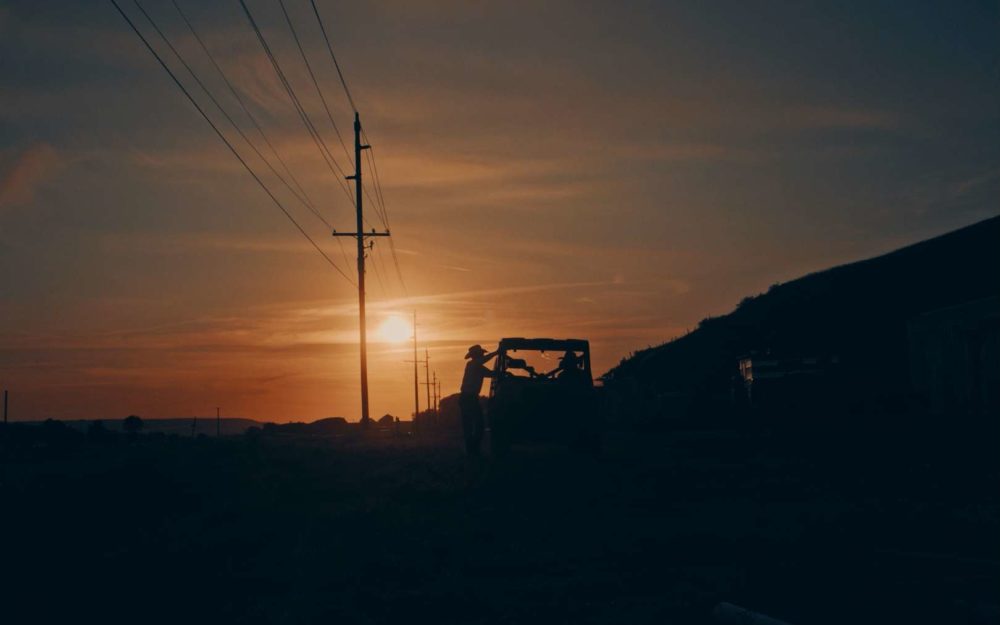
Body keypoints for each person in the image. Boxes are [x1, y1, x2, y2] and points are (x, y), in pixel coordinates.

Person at [460, 344, 497, 456]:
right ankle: (472, 450)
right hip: (468, 398)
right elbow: (487, 366)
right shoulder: (472, 364)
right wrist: (496, 352)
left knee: (472, 425)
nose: (482, 355)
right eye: (481, 353)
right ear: (477, 355)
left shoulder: (476, 367)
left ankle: (472, 451)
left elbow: (492, 374)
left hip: (467, 398)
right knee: (476, 425)